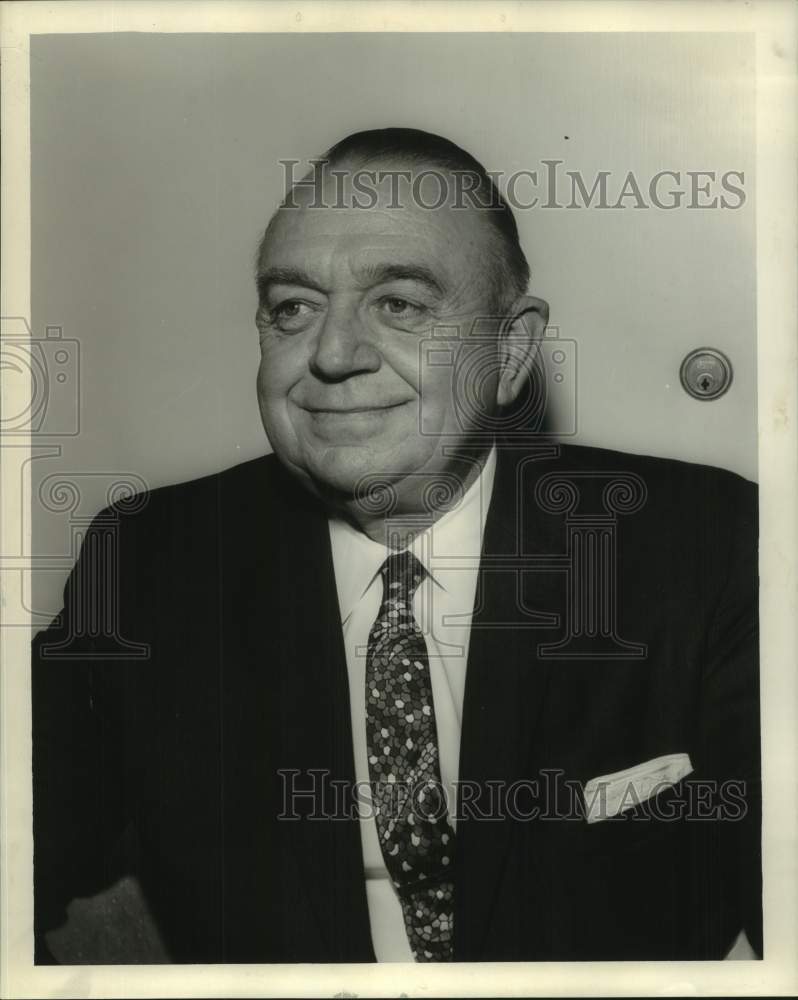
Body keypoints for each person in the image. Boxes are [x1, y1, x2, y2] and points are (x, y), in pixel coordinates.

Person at [32, 128, 761, 964]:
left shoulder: (704, 547)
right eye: (293, 308)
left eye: (401, 304)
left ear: (512, 349)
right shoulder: (147, 563)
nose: (333, 355)